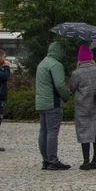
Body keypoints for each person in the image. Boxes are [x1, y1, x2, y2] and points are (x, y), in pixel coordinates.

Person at [35, 41, 72, 170]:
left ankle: (45, 159)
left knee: (43, 131)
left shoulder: (42, 63)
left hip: (41, 102)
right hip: (53, 102)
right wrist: (67, 95)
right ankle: (53, 160)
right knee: (52, 132)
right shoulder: (56, 65)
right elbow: (59, 85)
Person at [69, 45, 96, 170]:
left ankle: (85, 161)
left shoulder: (76, 73)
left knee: (84, 132)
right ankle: (95, 161)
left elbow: (72, 88)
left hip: (83, 106)